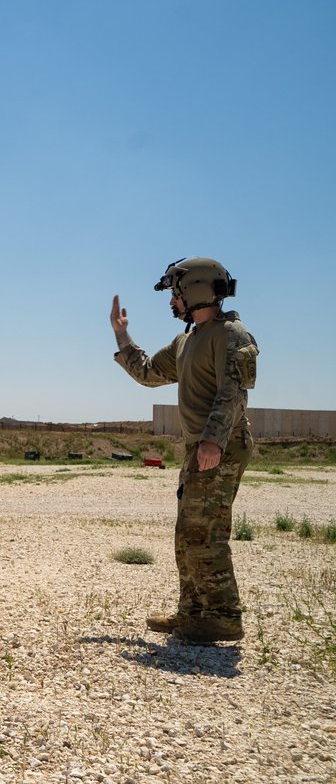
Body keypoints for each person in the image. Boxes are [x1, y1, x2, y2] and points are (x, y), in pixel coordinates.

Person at [111, 257, 258, 645]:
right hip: (202, 447)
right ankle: (194, 612)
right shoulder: (187, 340)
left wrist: (212, 440)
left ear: (194, 290)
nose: (172, 302)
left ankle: (223, 617)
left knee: (204, 532)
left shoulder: (231, 334)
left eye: (176, 294)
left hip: (221, 445)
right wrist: (121, 336)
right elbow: (146, 371)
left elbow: (234, 393)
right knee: (187, 532)